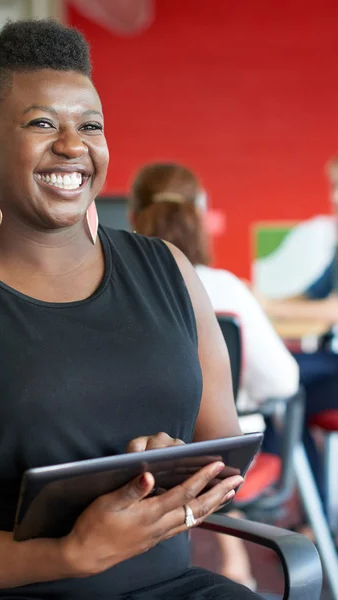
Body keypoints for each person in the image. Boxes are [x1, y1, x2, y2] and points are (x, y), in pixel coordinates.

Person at [0, 20, 259, 600]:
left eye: (89, 125)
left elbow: (225, 456)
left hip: (169, 586)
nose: (73, 145)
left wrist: (180, 468)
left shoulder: (168, 269)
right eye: (42, 123)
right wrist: (67, 555)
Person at [128, 162, 299, 588]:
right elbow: (283, 381)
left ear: (132, 216)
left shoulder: (118, 293)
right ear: (199, 214)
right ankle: (271, 548)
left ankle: (233, 558)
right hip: (223, 457)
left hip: (136, 456)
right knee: (259, 414)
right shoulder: (225, 287)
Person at [260, 147, 338, 502]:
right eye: (336, 187)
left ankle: (311, 509)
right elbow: (312, 296)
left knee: (287, 398)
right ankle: (305, 505)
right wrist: (256, 302)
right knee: (268, 379)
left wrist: (267, 305)